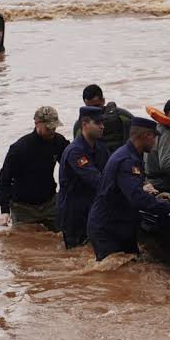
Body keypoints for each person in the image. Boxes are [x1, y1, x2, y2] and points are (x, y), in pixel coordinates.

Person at [87, 117, 170, 261]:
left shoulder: (132, 154)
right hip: (108, 228)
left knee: (131, 270)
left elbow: (132, 189)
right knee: (114, 274)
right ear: (146, 136)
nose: (155, 142)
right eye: (154, 138)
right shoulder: (127, 160)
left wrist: (156, 198)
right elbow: (137, 198)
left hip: (122, 223)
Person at [0, 106, 69, 230]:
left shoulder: (58, 142)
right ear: (37, 124)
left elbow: (70, 166)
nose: (52, 130)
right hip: (23, 209)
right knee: (22, 244)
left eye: (54, 127)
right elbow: (4, 180)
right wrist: (4, 211)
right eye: (48, 128)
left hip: (50, 204)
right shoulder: (19, 148)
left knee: (58, 240)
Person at [57, 106, 110, 249]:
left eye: (103, 123)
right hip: (74, 214)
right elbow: (97, 180)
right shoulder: (75, 152)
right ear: (85, 124)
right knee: (76, 255)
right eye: (98, 123)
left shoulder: (100, 147)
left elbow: (111, 171)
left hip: (92, 209)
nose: (102, 127)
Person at [72, 84, 134, 153]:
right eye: (89, 107)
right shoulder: (80, 126)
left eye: (97, 106)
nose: (94, 110)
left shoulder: (122, 115)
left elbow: (140, 133)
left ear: (103, 100)